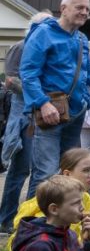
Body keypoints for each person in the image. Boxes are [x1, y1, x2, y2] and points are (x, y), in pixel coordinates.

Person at [20, 0, 90, 198]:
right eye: (79, 7)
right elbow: (28, 73)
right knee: (46, 173)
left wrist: (86, 100)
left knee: (67, 173)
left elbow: (87, 72)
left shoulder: (82, 38)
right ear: (63, 9)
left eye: (87, 9)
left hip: (75, 114)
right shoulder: (43, 33)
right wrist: (43, 103)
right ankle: (30, 225)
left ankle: (58, 226)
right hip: (49, 114)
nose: (85, 12)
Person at [1, 12, 53, 232]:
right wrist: (40, 95)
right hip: (24, 117)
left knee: (39, 171)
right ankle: (7, 219)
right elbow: (10, 81)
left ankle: (28, 219)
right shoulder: (22, 47)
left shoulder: (48, 49)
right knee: (20, 170)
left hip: (42, 116)